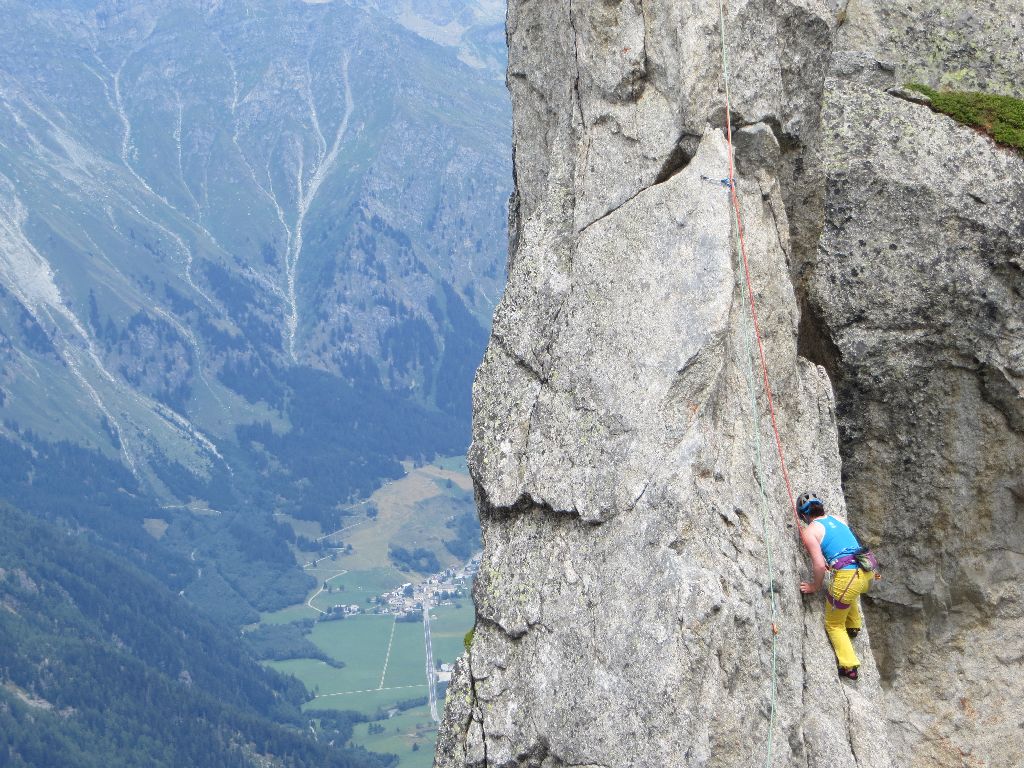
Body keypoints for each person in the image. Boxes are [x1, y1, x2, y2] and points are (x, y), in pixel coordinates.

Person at [797, 492, 873, 680]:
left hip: (848, 577)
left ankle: (849, 666)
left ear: (804, 515)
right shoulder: (837, 519)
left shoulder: (810, 532)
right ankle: (853, 625)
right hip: (867, 570)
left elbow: (819, 565)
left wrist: (815, 586)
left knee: (834, 624)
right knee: (845, 594)